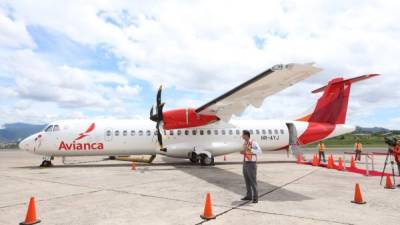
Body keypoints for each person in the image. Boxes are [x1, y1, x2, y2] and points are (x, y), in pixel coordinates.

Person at [240, 130, 262, 203]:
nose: (242, 136)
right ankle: (249, 196)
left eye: (243, 135)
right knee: (247, 181)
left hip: (251, 164)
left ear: (246, 135)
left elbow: (259, 152)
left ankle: (255, 198)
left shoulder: (253, 142)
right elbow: (245, 152)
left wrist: (250, 149)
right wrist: (242, 152)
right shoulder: (245, 143)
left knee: (253, 181)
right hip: (245, 163)